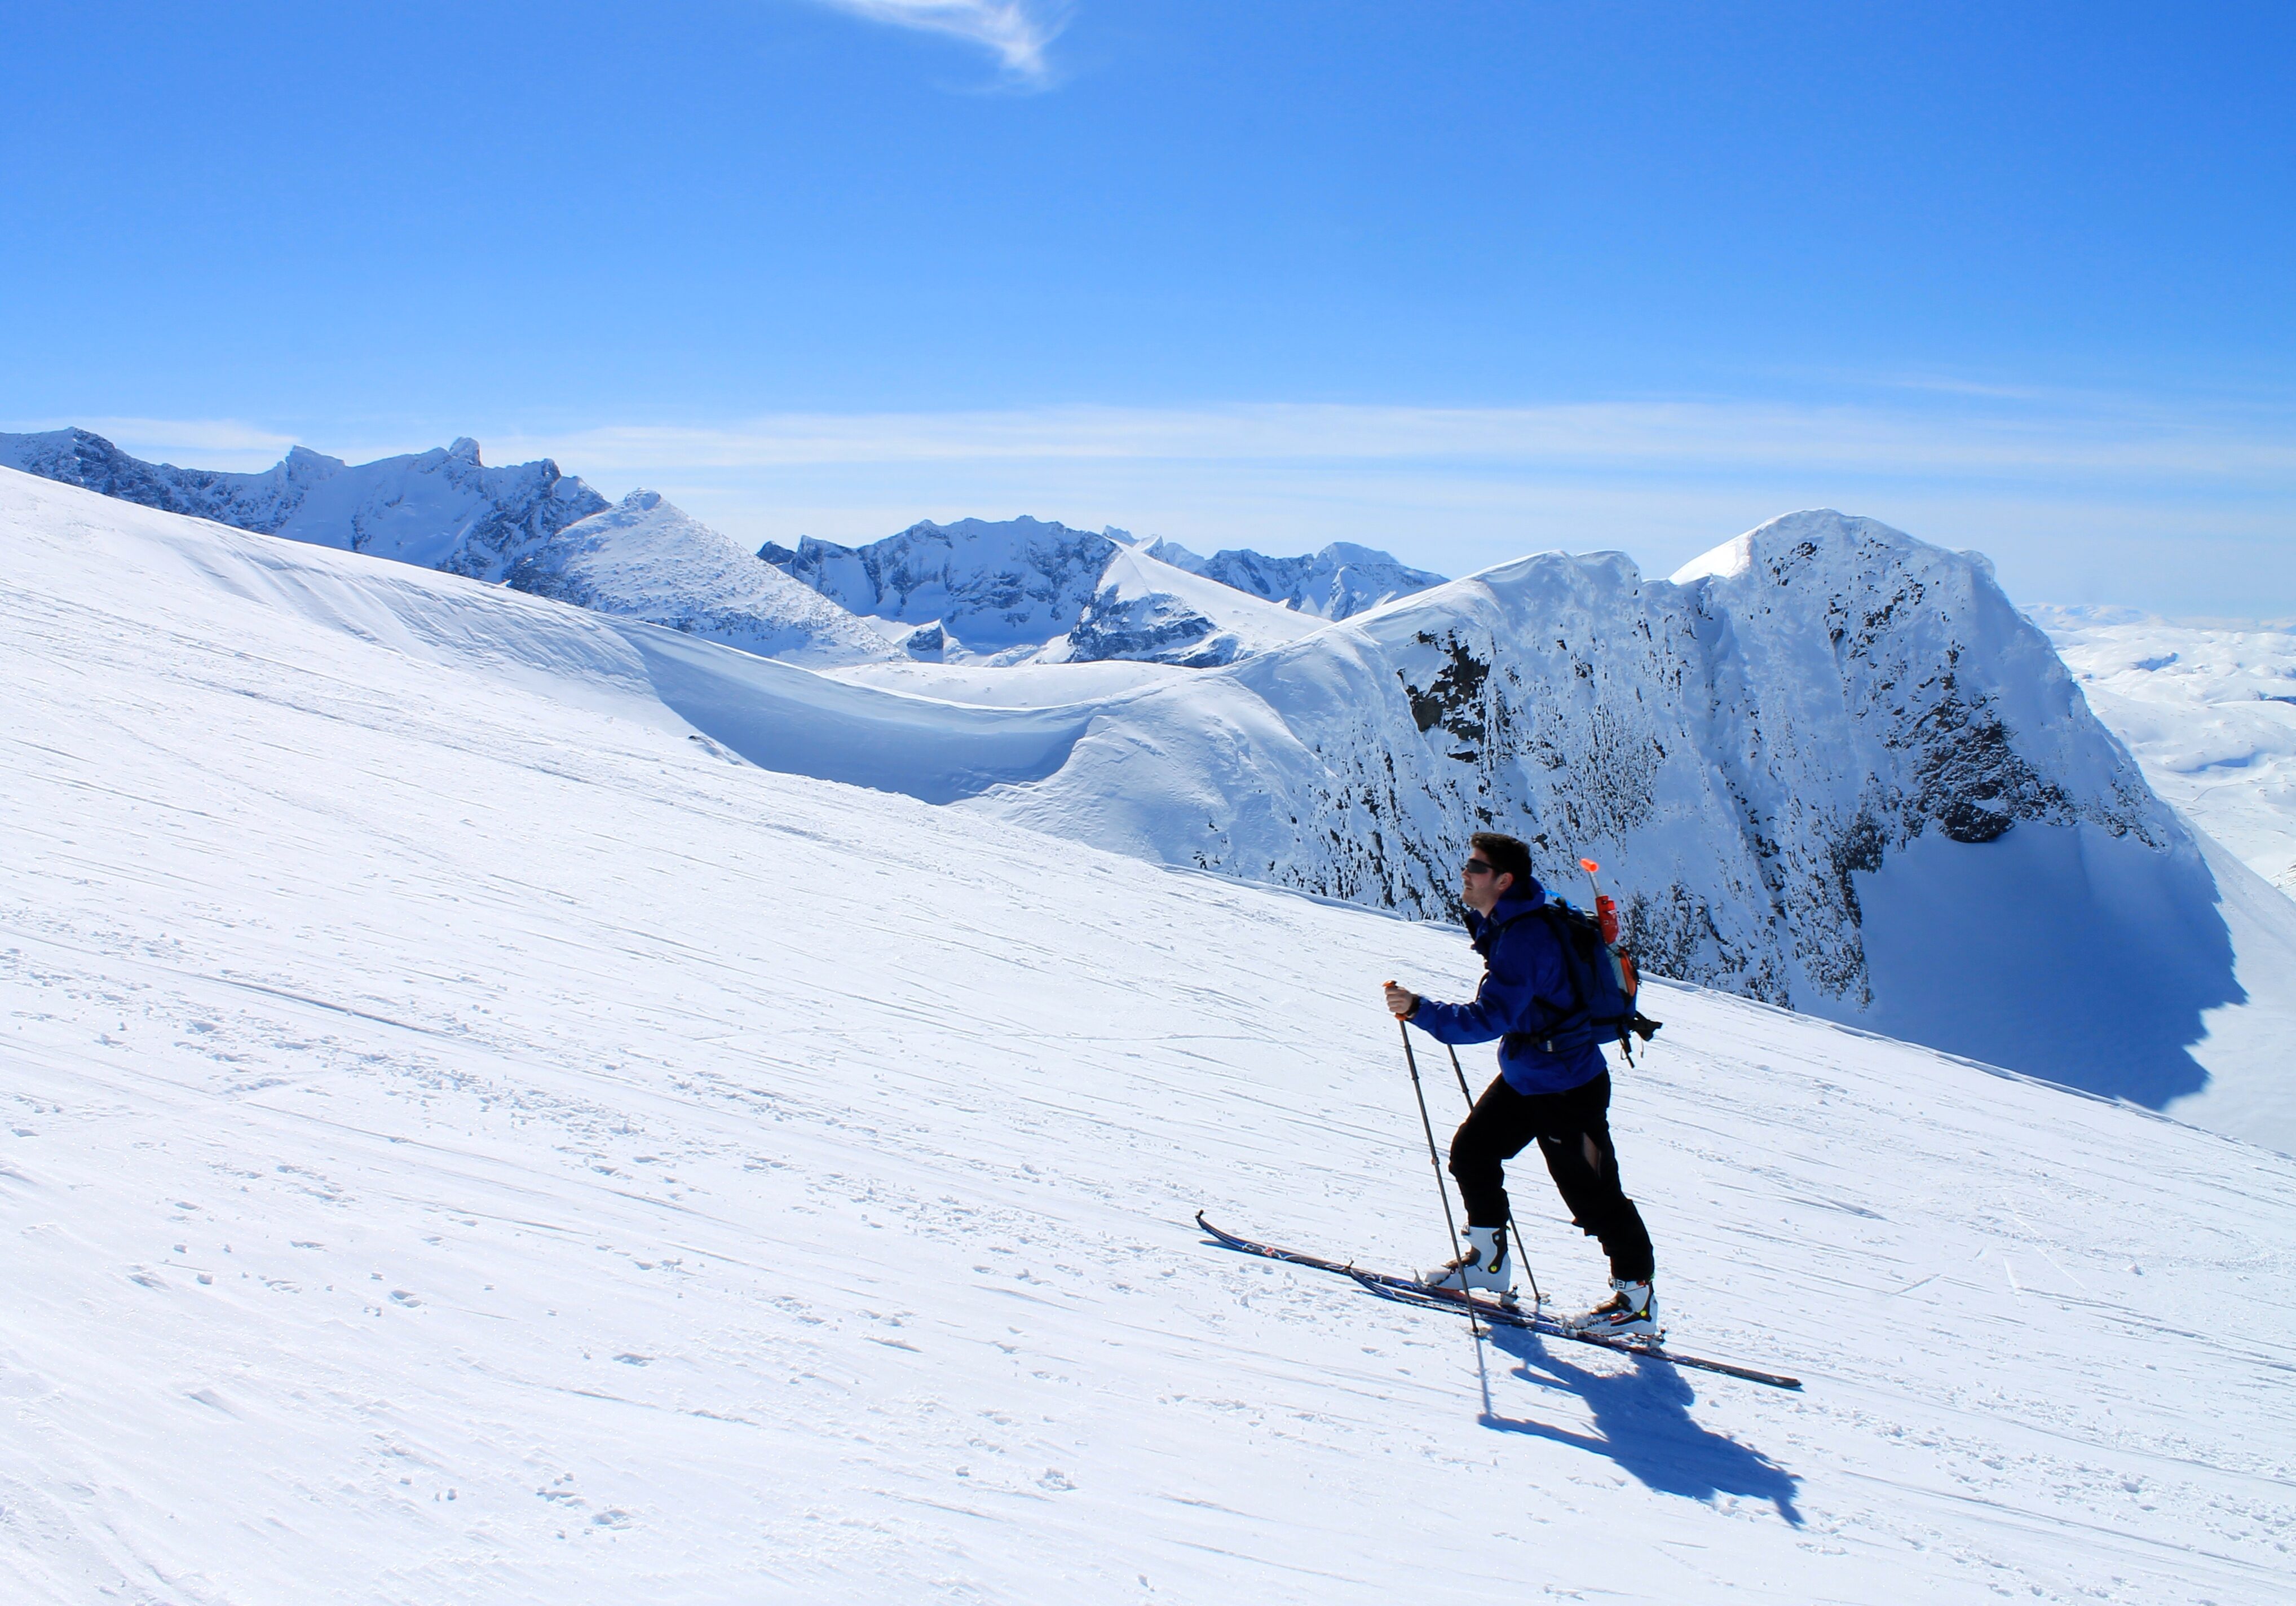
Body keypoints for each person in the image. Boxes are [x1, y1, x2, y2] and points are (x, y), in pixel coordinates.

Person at [1381, 832, 1659, 1336]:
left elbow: (1491, 1017)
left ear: (1504, 881)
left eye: (1477, 867)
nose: (1465, 873)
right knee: (1472, 1153)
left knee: (1594, 1194)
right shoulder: (1516, 919)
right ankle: (1489, 1263)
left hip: (1568, 1088)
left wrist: (1421, 1010)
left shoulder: (1527, 938)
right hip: (1532, 1075)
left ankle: (1636, 1303)